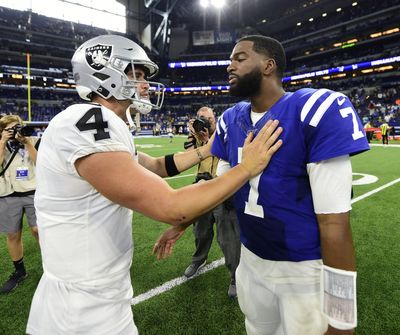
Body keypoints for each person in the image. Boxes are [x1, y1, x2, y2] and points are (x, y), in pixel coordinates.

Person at [25, 34, 283, 335]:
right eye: (135, 74)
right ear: (103, 74)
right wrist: (246, 167)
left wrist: (208, 148)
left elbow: (157, 167)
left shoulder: (98, 123)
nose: (145, 84)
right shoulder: (88, 122)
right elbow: (172, 208)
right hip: (81, 307)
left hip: (91, 293)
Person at [155, 35, 369, 335]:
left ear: (269, 66)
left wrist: (342, 319)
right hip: (251, 260)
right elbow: (223, 187)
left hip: (302, 268)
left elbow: (335, 223)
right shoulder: (231, 119)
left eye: (239, 58)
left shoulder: (314, 109)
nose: (230, 66)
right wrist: (184, 221)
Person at [183, 106, 241, 298]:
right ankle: (199, 259)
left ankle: (235, 276)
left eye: (208, 118)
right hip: (201, 188)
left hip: (222, 191)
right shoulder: (195, 137)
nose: (205, 121)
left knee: (228, 238)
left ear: (214, 119)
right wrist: (195, 138)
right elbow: (187, 158)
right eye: (201, 118)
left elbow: (228, 155)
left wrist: (208, 140)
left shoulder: (225, 133)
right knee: (200, 231)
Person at [0, 115, 40, 293]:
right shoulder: (2, 144)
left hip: (33, 191)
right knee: (13, 234)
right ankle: (19, 271)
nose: (16, 131)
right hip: (8, 192)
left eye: (18, 127)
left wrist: (27, 142)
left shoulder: (32, 139)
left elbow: (39, 162)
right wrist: (2, 142)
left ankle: (51, 265)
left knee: (38, 230)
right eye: (10, 129)